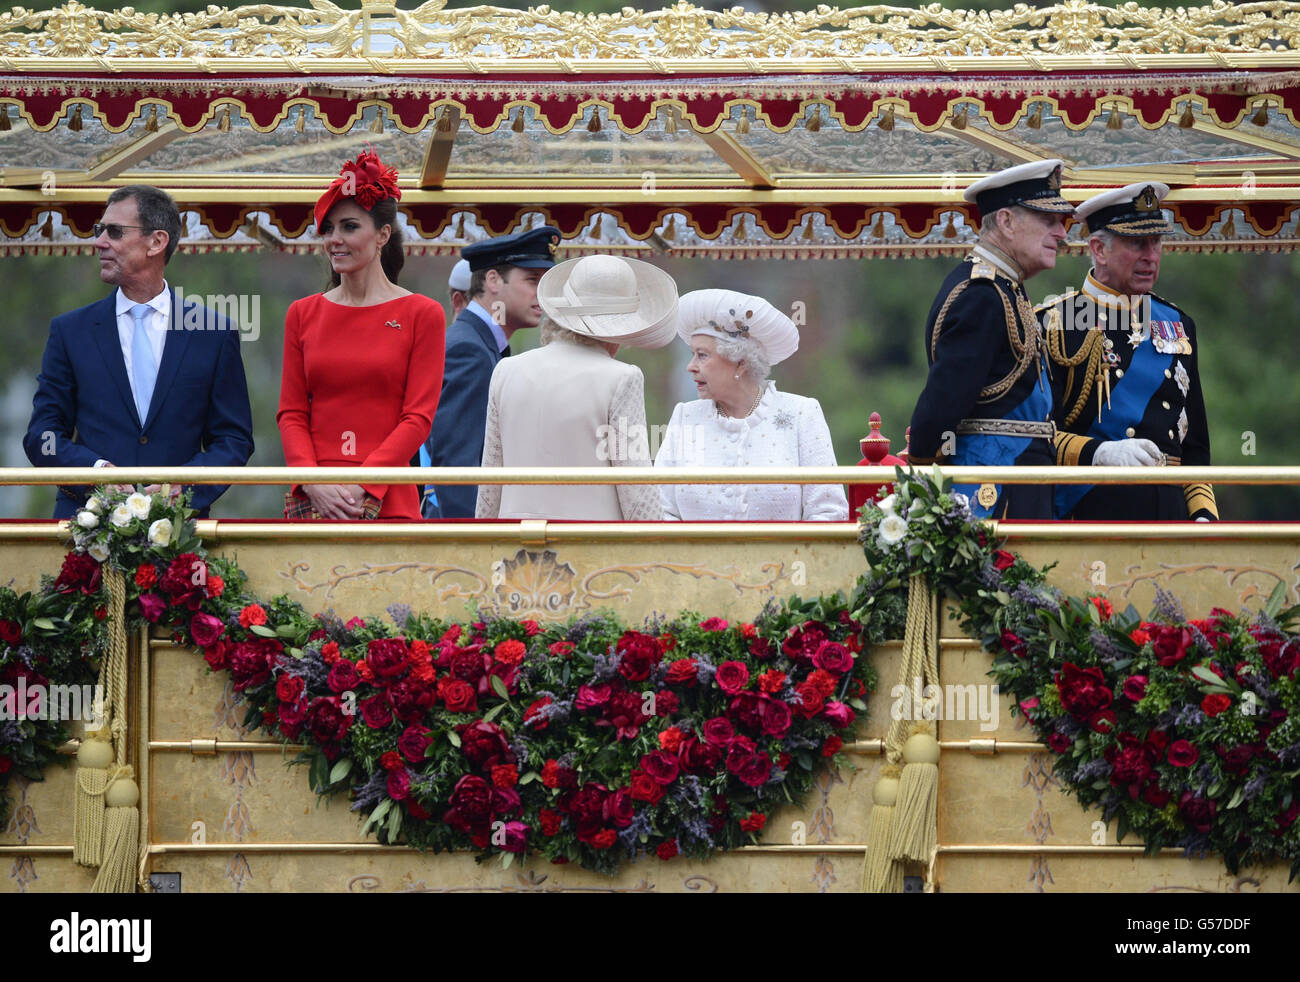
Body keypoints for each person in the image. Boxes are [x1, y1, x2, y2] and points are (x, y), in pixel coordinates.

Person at [24, 185, 254, 518]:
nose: (99, 242)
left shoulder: (214, 333)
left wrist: (182, 488)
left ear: (157, 242)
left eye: (114, 232)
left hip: (179, 532)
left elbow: (233, 440)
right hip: (85, 526)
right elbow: (41, 436)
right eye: (99, 231)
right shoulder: (69, 331)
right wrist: (97, 473)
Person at [277, 150, 445, 519]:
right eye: (329, 229)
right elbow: (291, 413)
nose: (335, 239)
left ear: (383, 235)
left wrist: (363, 485)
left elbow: (418, 418)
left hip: (388, 498)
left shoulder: (423, 314)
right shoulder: (302, 313)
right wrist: (313, 482)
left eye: (349, 227)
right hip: (314, 499)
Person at [907, 159, 1073, 520]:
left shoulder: (1004, 287)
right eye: (1048, 220)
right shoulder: (982, 294)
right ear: (1006, 222)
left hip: (1020, 488)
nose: (1061, 232)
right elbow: (939, 408)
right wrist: (921, 491)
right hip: (992, 495)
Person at [1041, 183, 1217, 520]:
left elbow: (1194, 447)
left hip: (1169, 515)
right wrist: (1099, 452)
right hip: (1089, 512)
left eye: (1156, 242)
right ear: (1099, 249)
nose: (1150, 256)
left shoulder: (1178, 323)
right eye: (1137, 243)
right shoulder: (1053, 324)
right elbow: (1036, 436)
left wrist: (1203, 516)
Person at [476, 254, 677, 520]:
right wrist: (656, 548)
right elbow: (636, 490)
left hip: (514, 549)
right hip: (592, 550)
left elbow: (490, 483)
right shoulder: (622, 377)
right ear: (618, 331)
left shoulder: (506, 370)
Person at [655, 289, 848, 521]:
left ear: (740, 363)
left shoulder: (801, 414)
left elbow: (828, 512)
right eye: (692, 354)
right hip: (694, 559)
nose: (691, 366)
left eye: (702, 355)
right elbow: (662, 510)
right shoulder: (685, 416)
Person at [421, 226, 559, 518]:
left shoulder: (479, 344)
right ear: (493, 280)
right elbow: (457, 467)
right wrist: (473, 544)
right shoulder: (469, 351)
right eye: (533, 280)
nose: (542, 294)